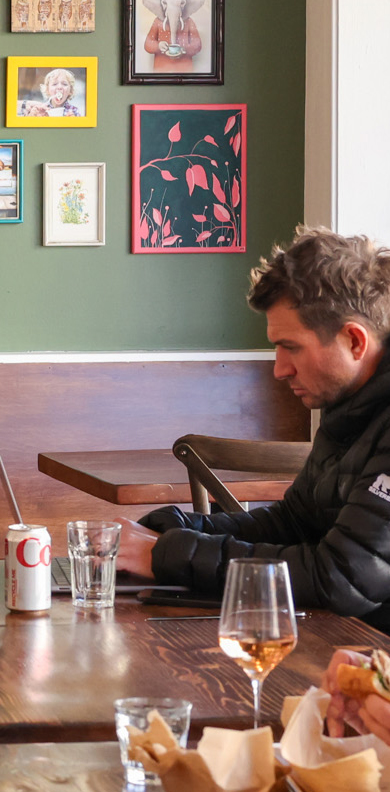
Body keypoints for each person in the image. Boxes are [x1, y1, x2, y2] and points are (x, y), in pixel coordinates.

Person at [116, 228, 390, 626]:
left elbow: (341, 578)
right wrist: (181, 527)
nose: (279, 370)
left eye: (291, 347)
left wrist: (164, 556)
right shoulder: (350, 403)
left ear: (354, 341)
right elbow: (294, 523)